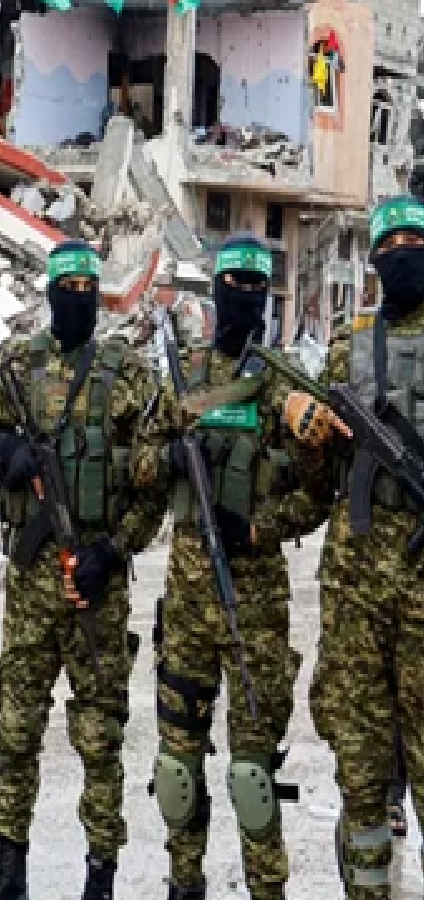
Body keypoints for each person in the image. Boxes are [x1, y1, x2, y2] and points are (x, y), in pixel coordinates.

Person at [134, 233, 331, 900]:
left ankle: (266, 888)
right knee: (177, 768)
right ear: (216, 292)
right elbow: (140, 464)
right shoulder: (185, 375)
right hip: (188, 602)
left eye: (256, 286)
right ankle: (183, 882)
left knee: (252, 775)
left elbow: (318, 494)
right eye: (234, 284)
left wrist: (257, 527)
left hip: (256, 606)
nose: (245, 296)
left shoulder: (284, 386)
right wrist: (167, 459)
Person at [0, 240, 162, 900]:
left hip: (97, 587)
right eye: (66, 287)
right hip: (30, 584)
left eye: (87, 288)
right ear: (49, 293)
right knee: (16, 726)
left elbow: (152, 485)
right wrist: (3, 454)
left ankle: (100, 873)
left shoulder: (128, 376)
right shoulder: (15, 367)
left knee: (100, 736)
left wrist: (115, 552)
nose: (76, 299)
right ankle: (8, 867)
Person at [286, 195, 424, 899]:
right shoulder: (347, 350)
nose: (402, 255)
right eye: (389, 246)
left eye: (414, 243)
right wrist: (303, 430)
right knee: (363, 774)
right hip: (356, 594)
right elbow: (317, 488)